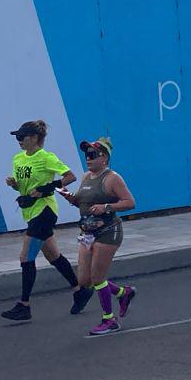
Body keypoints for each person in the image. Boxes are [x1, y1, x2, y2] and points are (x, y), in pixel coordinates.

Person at [0, 120, 84, 322]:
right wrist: (14, 185)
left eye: (22, 137)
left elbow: (70, 176)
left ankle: (24, 305)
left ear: (35, 138)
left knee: (25, 257)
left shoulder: (46, 157)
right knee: (53, 255)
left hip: (45, 211)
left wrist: (48, 187)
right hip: (30, 211)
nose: (18, 140)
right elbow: (23, 188)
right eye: (17, 137)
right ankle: (79, 290)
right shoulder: (18, 158)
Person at [58, 137, 137, 336]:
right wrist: (70, 197)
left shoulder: (112, 178)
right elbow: (82, 203)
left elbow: (129, 202)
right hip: (87, 232)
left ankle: (109, 320)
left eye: (93, 155)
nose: (88, 158)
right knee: (84, 280)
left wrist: (106, 207)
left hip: (108, 231)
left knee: (97, 277)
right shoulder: (86, 177)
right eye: (86, 155)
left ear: (104, 158)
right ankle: (122, 292)